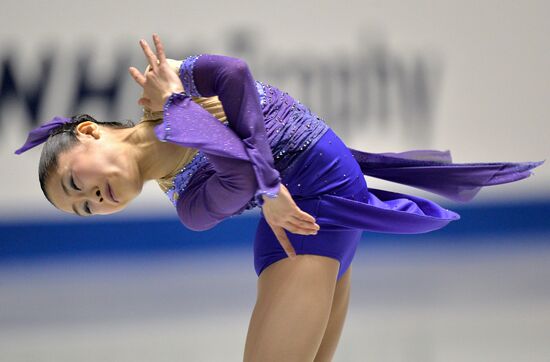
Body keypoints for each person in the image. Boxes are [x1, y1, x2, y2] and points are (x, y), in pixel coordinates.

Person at [15, 34, 544, 361]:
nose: (92, 198)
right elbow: (243, 178)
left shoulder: (185, 81)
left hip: (323, 193)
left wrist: (185, 102)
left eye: (74, 183)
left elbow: (237, 73)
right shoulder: (190, 202)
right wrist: (180, 106)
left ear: (87, 131)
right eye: (83, 207)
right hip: (295, 223)